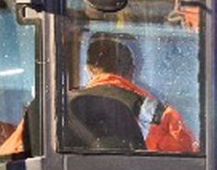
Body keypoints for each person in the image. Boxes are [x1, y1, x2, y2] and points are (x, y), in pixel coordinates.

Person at [66, 35, 198, 153]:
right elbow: (183, 158)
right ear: (132, 70)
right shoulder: (158, 115)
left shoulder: (65, 106)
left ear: (88, 70)